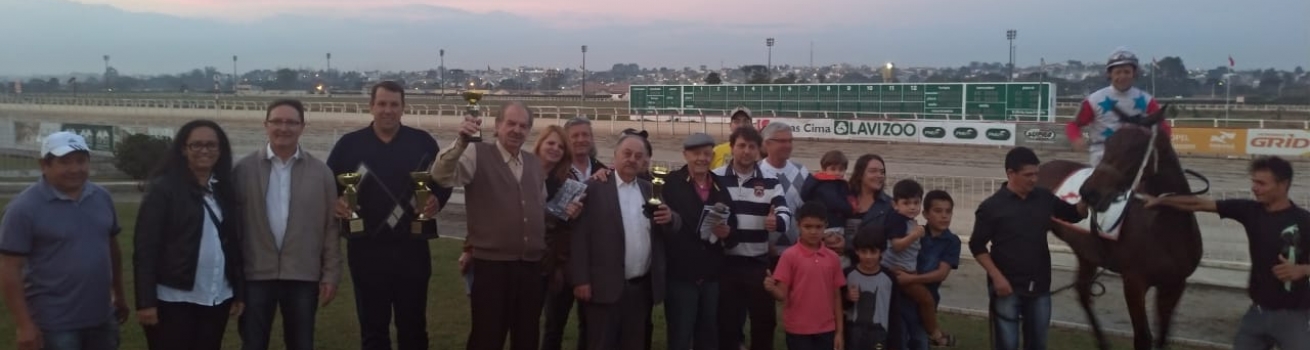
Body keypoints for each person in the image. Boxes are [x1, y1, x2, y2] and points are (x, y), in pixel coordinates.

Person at [326, 81, 450, 350]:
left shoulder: (423, 143)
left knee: (414, 327)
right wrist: (335, 202)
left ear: (403, 108)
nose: (387, 110)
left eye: (394, 104)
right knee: (373, 330)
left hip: (413, 250)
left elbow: (443, 180)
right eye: (382, 104)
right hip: (365, 251)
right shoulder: (348, 145)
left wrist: (436, 201)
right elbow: (327, 186)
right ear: (371, 106)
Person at [1143, 156, 1310, 349]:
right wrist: (1160, 202)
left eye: (1261, 183)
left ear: (1283, 185)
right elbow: (1198, 204)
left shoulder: (1304, 221)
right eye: (1253, 181)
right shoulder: (1250, 211)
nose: (1254, 188)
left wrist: (1303, 270)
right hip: (1256, 314)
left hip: (1295, 318)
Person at [431, 101, 547, 350]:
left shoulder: (534, 164)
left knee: (527, 337)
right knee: (487, 336)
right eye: (511, 123)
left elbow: (538, 207)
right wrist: (461, 141)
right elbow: (441, 175)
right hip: (492, 267)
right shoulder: (477, 154)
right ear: (497, 125)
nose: (517, 130)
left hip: (530, 267)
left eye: (523, 126)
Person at [0, 132, 127, 350]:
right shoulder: (23, 209)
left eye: (81, 161)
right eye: (65, 162)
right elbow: (9, 268)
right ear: (44, 165)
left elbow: (111, 248)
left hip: (102, 317)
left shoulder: (101, 197)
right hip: (54, 324)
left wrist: (119, 294)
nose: (75, 169)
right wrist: (24, 325)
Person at [234, 99, 342, 350]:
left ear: (302, 127)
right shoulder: (243, 170)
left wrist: (331, 275)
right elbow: (234, 229)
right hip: (255, 276)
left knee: (301, 344)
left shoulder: (321, 173)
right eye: (277, 121)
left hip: (303, 276)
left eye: (291, 122)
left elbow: (329, 229)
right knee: (253, 344)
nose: (284, 128)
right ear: (266, 125)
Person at [134, 120, 245, 350]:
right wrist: (146, 303)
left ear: (220, 150)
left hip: (216, 296)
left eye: (211, 145)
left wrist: (238, 291)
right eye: (196, 145)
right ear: (184, 149)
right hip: (174, 299)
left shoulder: (224, 189)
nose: (204, 150)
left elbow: (233, 245)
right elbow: (146, 250)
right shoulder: (164, 190)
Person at [969, 147, 1086, 350]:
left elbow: (1074, 214)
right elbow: (976, 245)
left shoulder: (1044, 197)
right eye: (1028, 175)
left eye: (1036, 174)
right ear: (1010, 173)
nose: (1034, 179)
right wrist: (997, 278)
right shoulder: (991, 207)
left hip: (1040, 287)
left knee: (1038, 344)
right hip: (1006, 288)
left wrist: (1089, 199)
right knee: (1007, 344)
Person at [571, 134, 680, 350]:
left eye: (638, 156)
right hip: (603, 288)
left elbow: (671, 225)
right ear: (615, 156)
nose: (632, 159)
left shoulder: (650, 189)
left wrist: (671, 219)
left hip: (639, 290)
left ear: (644, 162)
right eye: (627, 154)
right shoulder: (594, 188)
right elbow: (579, 237)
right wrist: (580, 279)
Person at [714, 126, 792, 350]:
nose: (746, 151)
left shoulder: (770, 180)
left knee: (764, 323)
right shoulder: (716, 177)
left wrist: (776, 222)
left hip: (758, 264)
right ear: (732, 147)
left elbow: (786, 213)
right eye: (741, 146)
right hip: (725, 263)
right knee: (727, 323)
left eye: (751, 147)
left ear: (759, 150)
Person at [662, 133, 734, 350]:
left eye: (706, 153)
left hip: (711, 275)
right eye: (696, 154)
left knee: (708, 333)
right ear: (685, 155)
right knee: (681, 335)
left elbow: (733, 223)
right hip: (681, 276)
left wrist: (727, 232)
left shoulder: (720, 184)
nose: (702, 158)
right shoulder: (671, 183)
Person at [1066, 47, 1173, 165]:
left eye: (1127, 72)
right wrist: (1076, 138)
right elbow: (1073, 125)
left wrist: (1162, 143)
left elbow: (1163, 126)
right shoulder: (1094, 100)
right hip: (1103, 157)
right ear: (1109, 74)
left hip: (1137, 157)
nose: (1122, 76)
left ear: (1134, 74)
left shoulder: (1147, 100)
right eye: (1118, 72)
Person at [534, 124, 589, 350]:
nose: (555, 148)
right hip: (523, 257)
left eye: (559, 145)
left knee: (554, 324)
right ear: (540, 144)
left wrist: (571, 216)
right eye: (550, 143)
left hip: (555, 261)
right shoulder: (521, 171)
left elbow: (564, 227)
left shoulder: (566, 180)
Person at [882, 180, 955, 347]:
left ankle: (931, 333)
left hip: (907, 274)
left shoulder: (910, 222)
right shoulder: (897, 220)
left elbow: (942, 273)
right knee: (926, 300)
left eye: (915, 203)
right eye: (906, 203)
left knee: (923, 305)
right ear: (895, 204)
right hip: (899, 273)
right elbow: (897, 246)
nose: (912, 207)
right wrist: (915, 236)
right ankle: (936, 334)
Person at [764, 201, 845, 350]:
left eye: (818, 227)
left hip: (826, 329)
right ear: (798, 225)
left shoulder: (833, 258)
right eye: (808, 227)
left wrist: (839, 332)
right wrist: (771, 288)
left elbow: (836, 296)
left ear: (825, 225)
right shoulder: (790, 256)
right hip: (798, 329)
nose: (813, 232)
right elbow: (781, 295)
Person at [759, 121, 811, 258]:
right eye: (782, 141)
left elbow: (808, 210)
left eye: (790, 141)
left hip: (798, 251)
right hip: (763, 252)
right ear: (767, 143)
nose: (788, 146)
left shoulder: (802, 171)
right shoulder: (755, 172)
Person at [843, 226, 899, 350]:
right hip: (852, 336)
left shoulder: (889, 278)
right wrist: (847, 297)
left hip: (880, 337)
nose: (868, 256)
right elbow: (838, 305)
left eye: (873, 251)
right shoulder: (847, 274)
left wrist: (895, 342)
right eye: (864, 251)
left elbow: (894, 311)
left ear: (881, 252)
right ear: (857, 251)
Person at [843, 154, 893, 269]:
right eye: (873, 171)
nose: (879, 175)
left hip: (874, 269)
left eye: (882, 172)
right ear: (860, 174)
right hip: (843, 264)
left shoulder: (889, 205)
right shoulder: (843, 199)